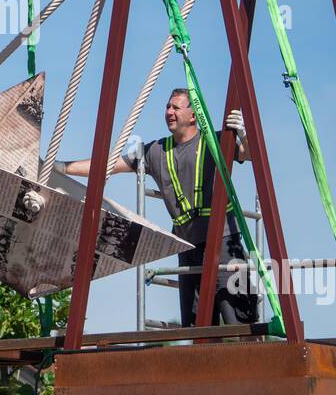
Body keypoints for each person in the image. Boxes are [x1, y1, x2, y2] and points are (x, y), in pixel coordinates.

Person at [57, 89, 257, 327]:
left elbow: (250, 154)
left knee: (240, 318)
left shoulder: (213, 142)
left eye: (176, 107)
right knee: (196, 326)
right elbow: (108, 166)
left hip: (223, 240)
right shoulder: (156, 151)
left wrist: (244, 135)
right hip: (187, 244)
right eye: (167, 107)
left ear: (193, 115)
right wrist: (62, 168)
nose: (169, 112)